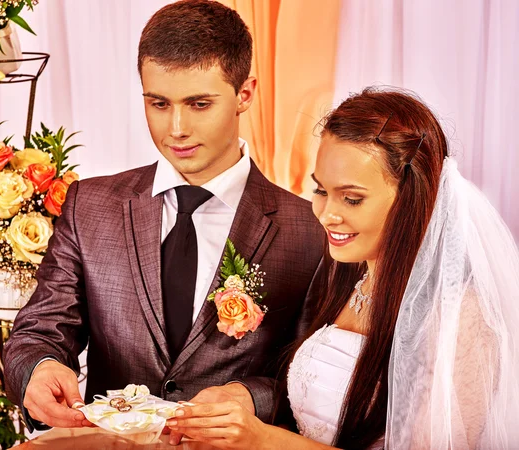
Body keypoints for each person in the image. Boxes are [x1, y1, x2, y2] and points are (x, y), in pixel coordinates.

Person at [2, 0, 324, 443]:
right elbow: (37, 333)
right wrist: (39, 369)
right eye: (158, 103)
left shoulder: (310, 230)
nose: (176, 128)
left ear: (244, 94)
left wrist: (252, 398)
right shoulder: (89, 205)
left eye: (199, 104)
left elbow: (315, 379)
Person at [167, 87, 519, 449]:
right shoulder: (347, 274)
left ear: (414, 199)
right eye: (321, 191)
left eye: (352, 198)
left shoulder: (462, 316)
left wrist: (263, 440)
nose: (327, 214)